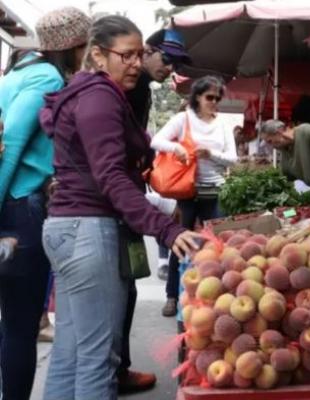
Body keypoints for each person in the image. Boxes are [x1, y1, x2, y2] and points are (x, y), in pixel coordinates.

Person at [39, 15, 202, 399]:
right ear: (97, 54)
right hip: (88, 231)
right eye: (125, 55)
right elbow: (110, 177)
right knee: (98, 360)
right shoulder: (99, 97)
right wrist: (166, 228)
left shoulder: (83, 93)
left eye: (138, 54)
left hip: (67, 228)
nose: (134, 63)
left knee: (70, 352)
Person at [0, 7, 90, 399]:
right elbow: (12, 144)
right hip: (18, 209)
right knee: (20, 325)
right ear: (74, 45)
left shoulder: (18, 72)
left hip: (14, 203)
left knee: (13, 324)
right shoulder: (46, 76)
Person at [118, 28, 191, 393]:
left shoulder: (141, 90)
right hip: (113, 204)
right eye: (166, 59)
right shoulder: (122, 89)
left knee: (126, 286)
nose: (171, 68)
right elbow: (111, 163)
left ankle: (117, 369)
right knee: (118, 291)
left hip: (126, 196)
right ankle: (112, 372)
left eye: (176, 63)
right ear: (144, 51)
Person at [151, 75, 237, 317]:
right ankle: (171, 297)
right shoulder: (183, 119)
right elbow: (156, 141)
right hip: (187, 192)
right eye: (209, 97)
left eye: (217, 98)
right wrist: (177, 148)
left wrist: (210, 154)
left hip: (216, 191)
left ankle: (213, 299)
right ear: (197, 96)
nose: (214, 102)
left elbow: (233, 158)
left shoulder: (223, 124)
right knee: (181, 244)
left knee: (218, 246)